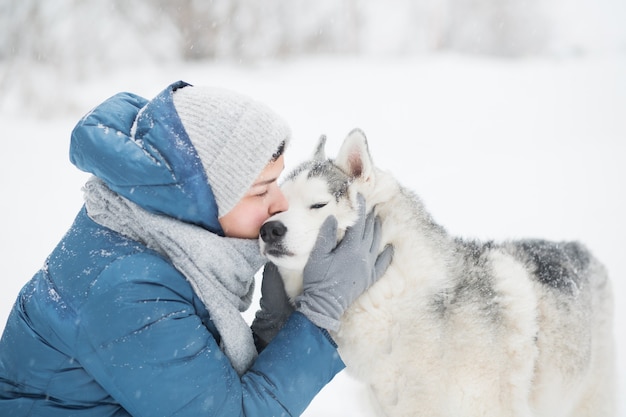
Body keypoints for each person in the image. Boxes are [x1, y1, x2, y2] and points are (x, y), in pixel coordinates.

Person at [0, 80, 393, 416]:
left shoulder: (159, 240)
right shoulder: (128, 293)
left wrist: (273, 328)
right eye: (261, 190)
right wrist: (320, 316)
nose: (280, 204)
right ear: (203, 199)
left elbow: (201, 387)